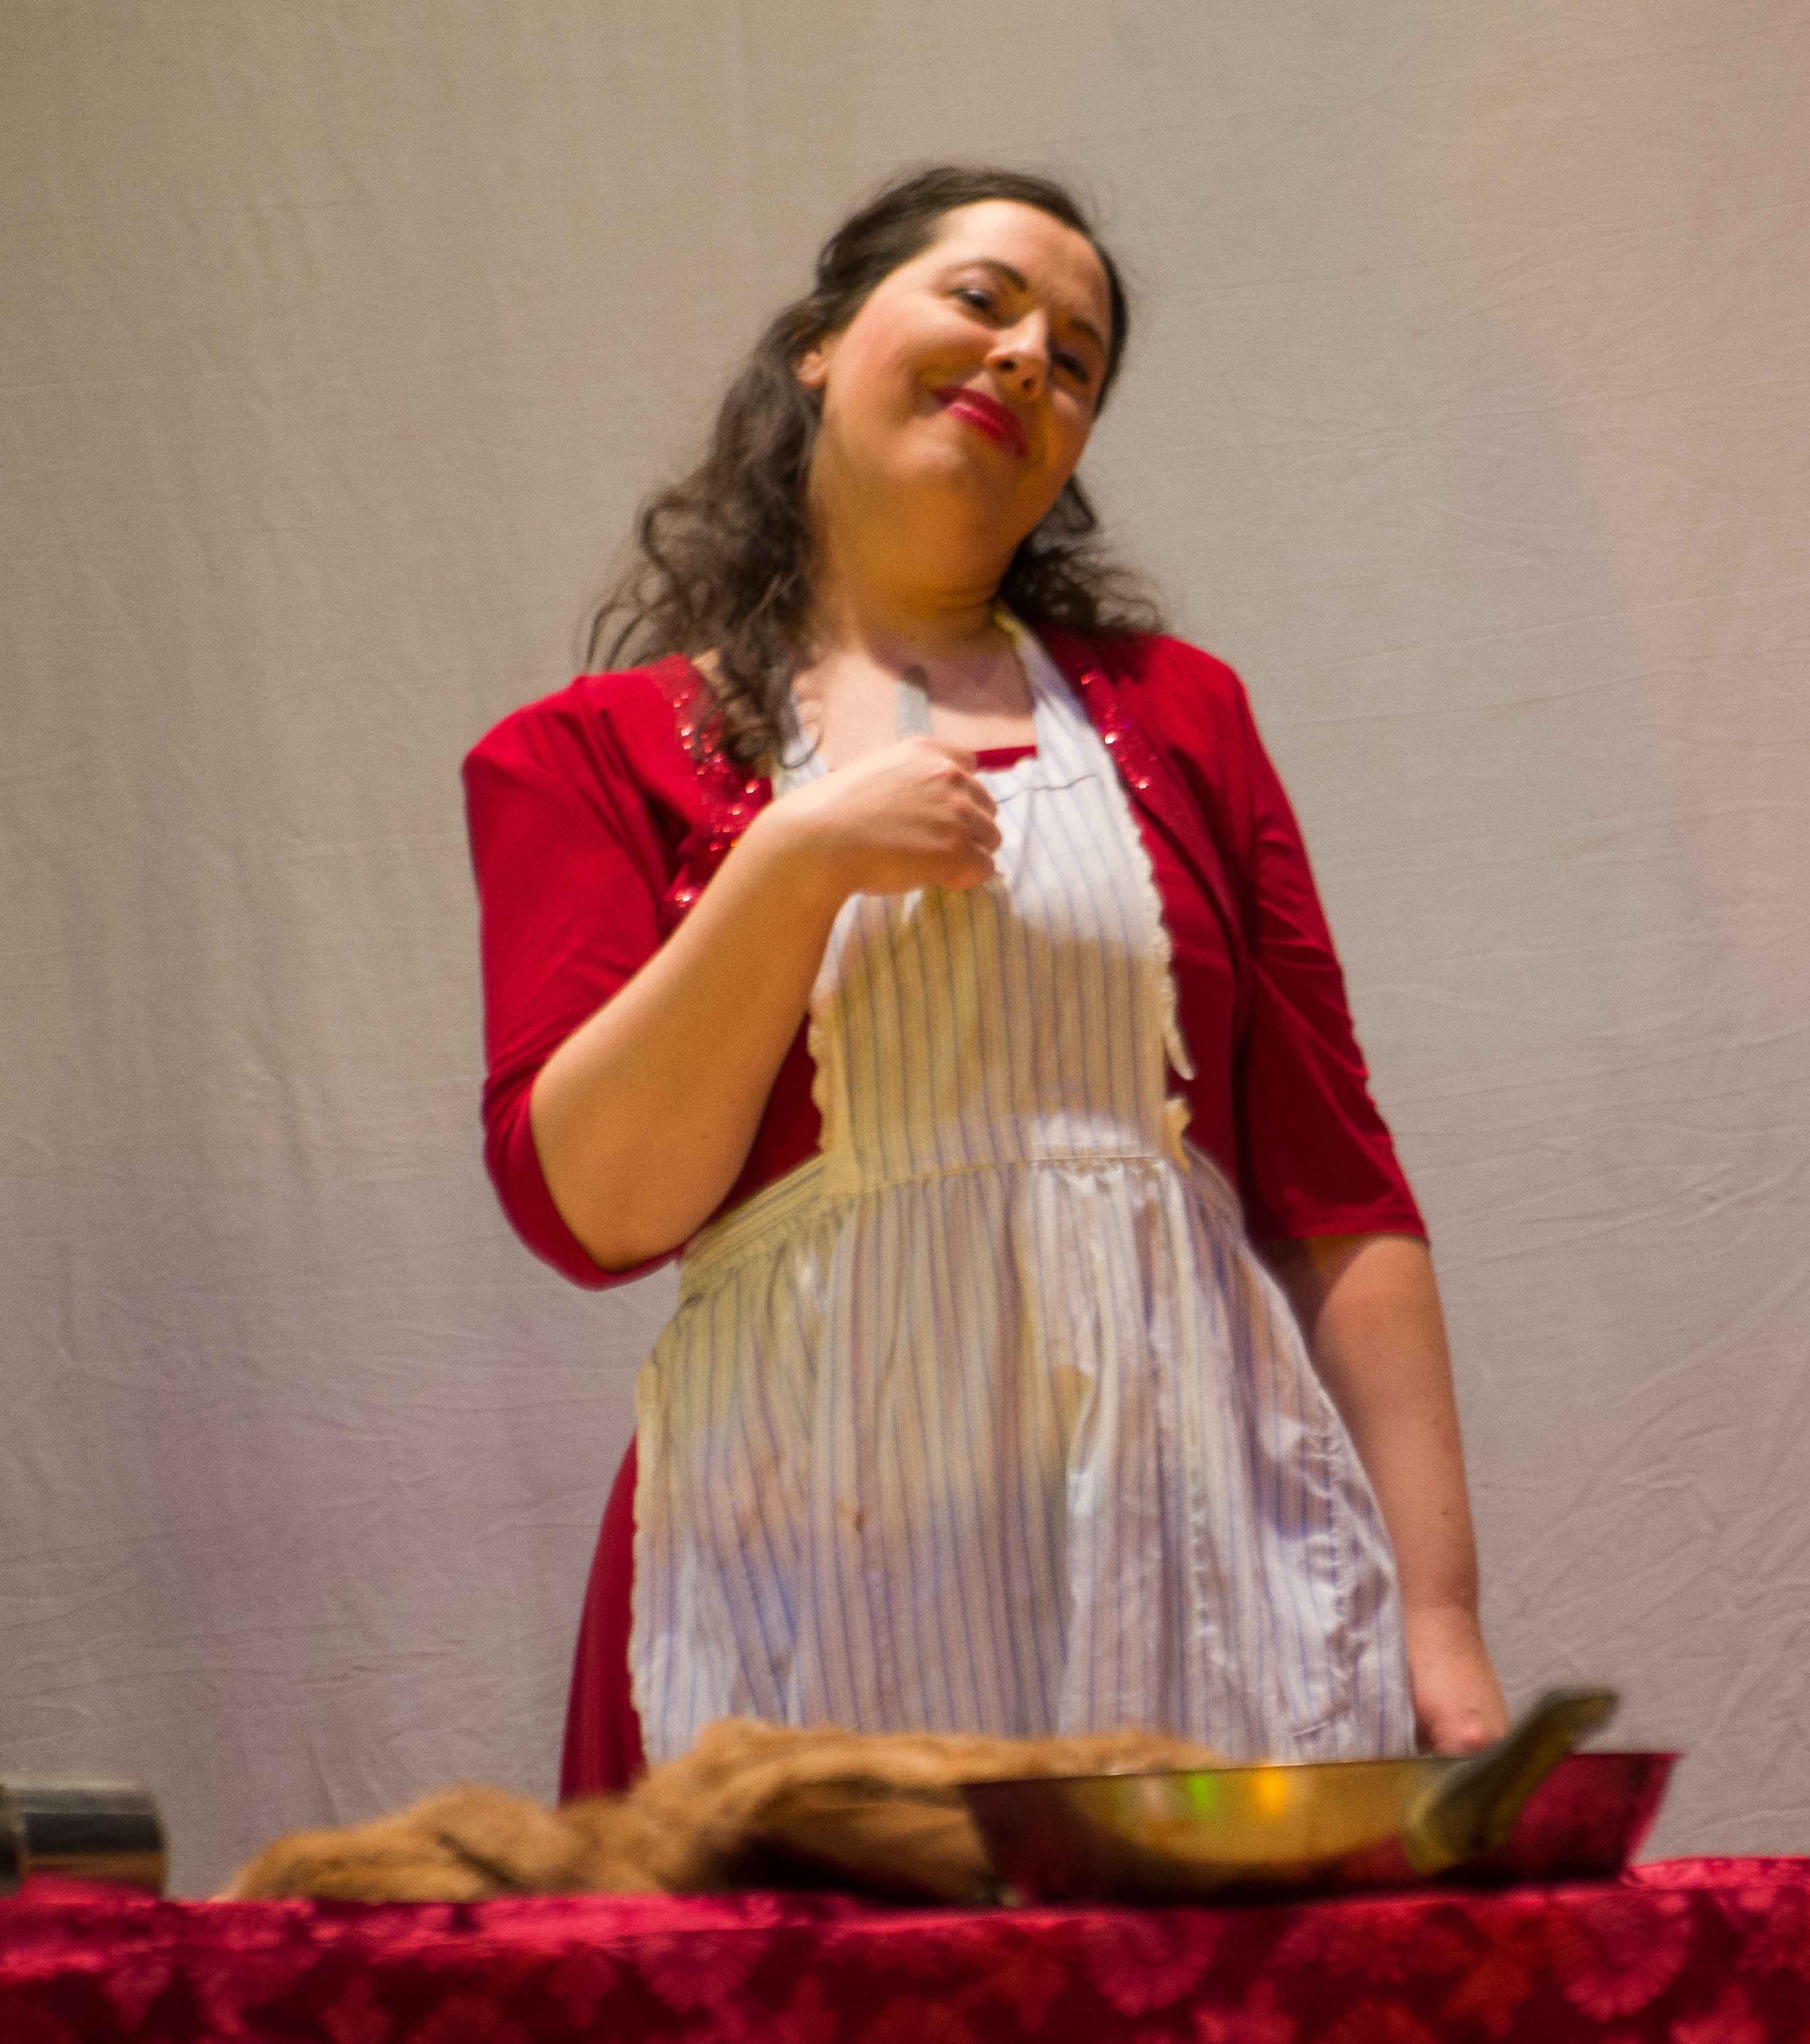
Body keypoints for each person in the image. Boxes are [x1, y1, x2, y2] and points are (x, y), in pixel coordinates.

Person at [463, 165, 1506, 1799]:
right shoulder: (582, 759)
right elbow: (595, 1210)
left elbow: (1337, 1193)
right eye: (982, 300)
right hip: (797, 1577)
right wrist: (791, 866)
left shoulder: (1188, 719)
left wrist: (1438, 1618)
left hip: (1182, 1563)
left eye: (1075, 360)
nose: (1027, 356)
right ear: (818, 343)